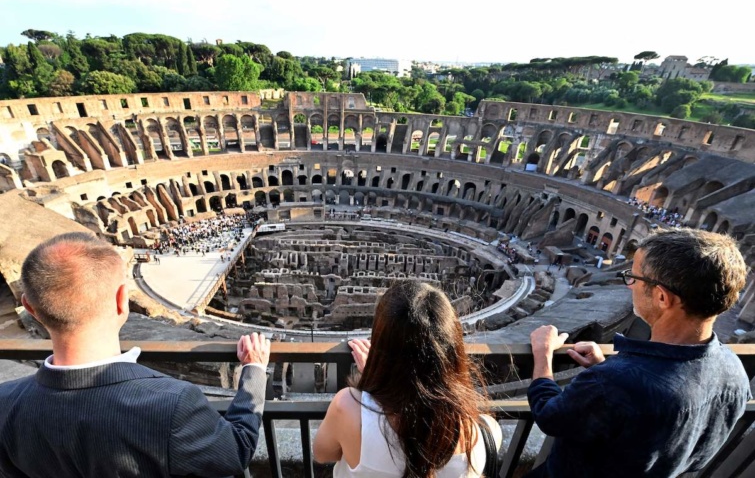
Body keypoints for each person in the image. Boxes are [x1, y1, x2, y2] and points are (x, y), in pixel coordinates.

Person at [0, 232, 270, 477]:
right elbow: (235, 452)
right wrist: (254, 370)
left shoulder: (5, 404)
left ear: (31, 308)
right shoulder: (172, 404)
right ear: (122, 300)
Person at [527, 228, 752, 478]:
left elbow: (549, 417)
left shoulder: (613, 383)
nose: (630, 285)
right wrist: (605, 367)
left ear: (662, 297)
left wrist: (543, 353)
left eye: (634, 277)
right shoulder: (735, 372)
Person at [313, 280, 502, 477]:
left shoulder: (348, 408)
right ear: (453, 351)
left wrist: (377, 375)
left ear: (381, 343)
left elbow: (322, 454)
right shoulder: (485, 433)